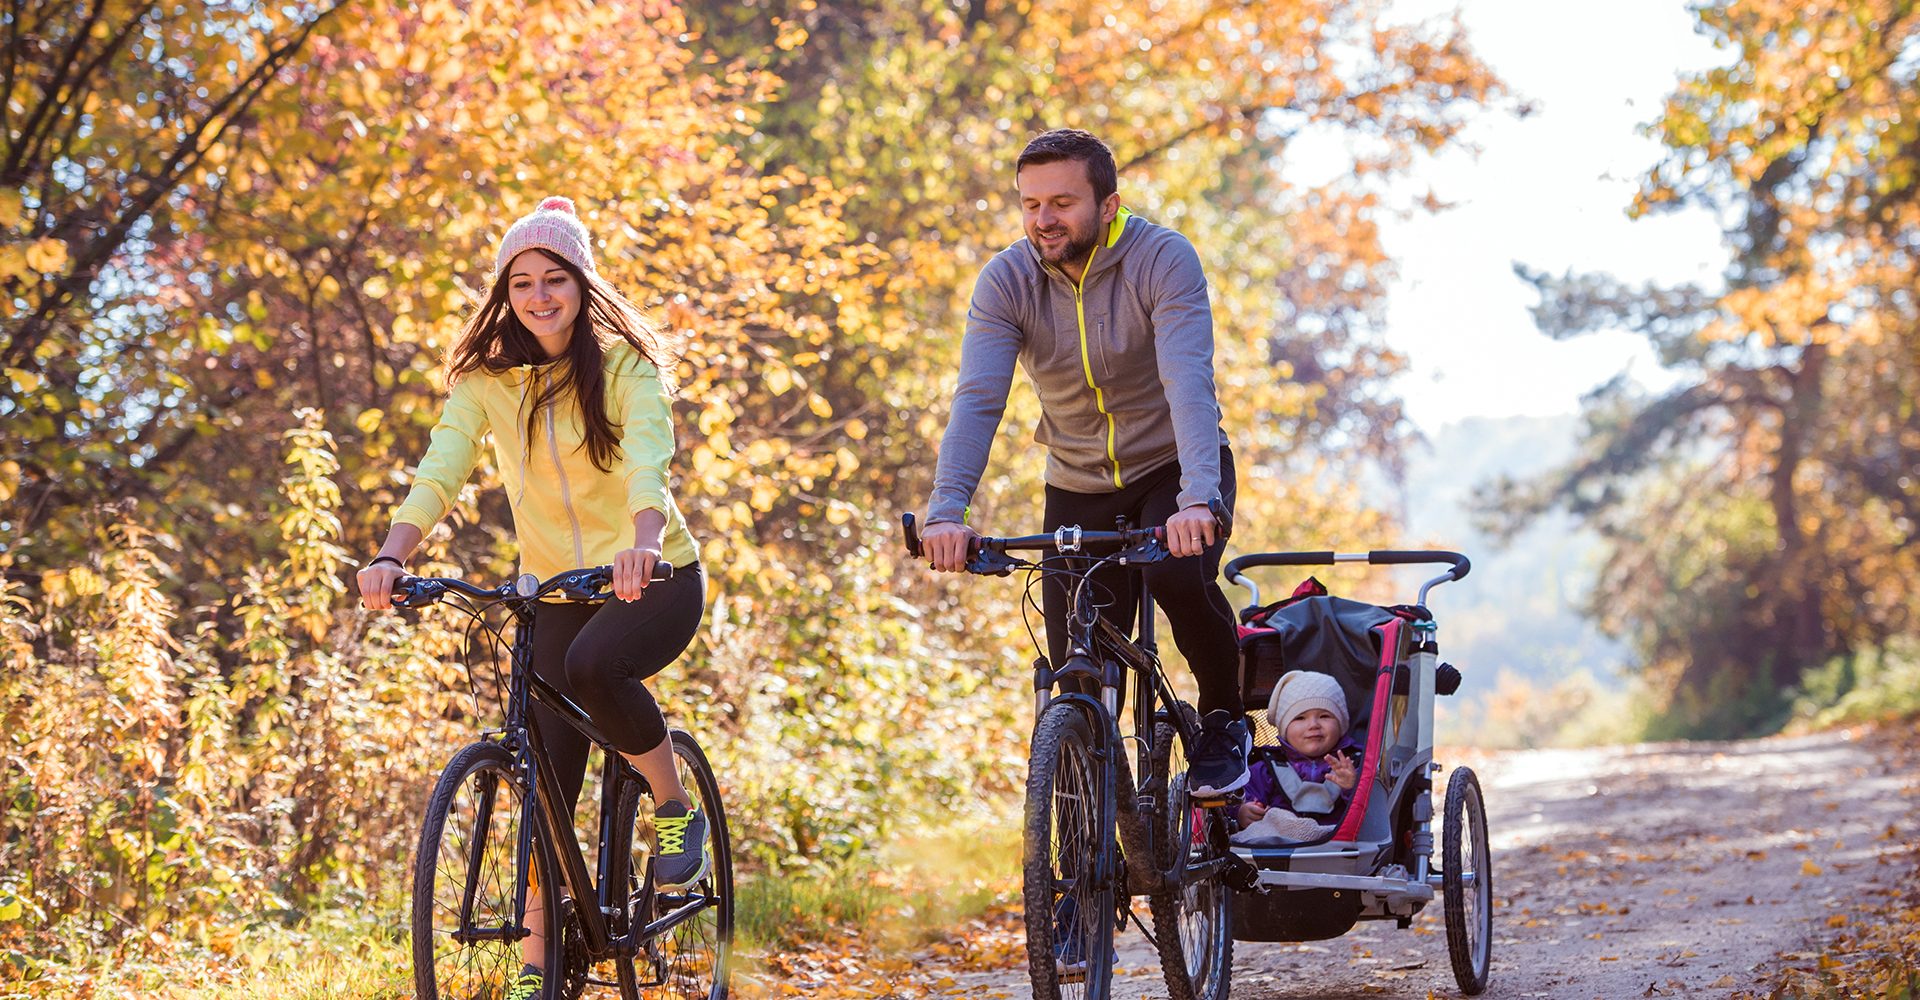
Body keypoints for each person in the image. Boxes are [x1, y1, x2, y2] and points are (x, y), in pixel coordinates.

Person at [355, 196, 706, 1000]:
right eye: (522, 282)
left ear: (582, 285)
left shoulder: (625, 369)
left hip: (657, 577)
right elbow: (441, 470)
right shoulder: (486, 384)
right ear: (504, 293)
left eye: (555, 278)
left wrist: (643, 539)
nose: (539, 296)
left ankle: (671, 801)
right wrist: (390, 555)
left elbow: (650, 459)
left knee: (592, 667)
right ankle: (537, 970)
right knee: (543, 778)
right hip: (553, 590)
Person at [920, 128, 1249, 796]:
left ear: (1108, 204)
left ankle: (1224, 721)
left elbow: (1189, 381)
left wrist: (1197, 499)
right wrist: (945, 512)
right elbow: (979, 399)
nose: (1044, 219)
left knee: (1181, 580)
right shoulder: (1008, 281)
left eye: (1062, 202)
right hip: (1077, 481)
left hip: (1173, 470)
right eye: (1031, 203)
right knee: (1082, 664)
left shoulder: (1161, 258)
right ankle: (1082, 864)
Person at [1233, 670, 1360, 845]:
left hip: (1335, 850)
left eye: (1324, 716)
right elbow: (1235, 798)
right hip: (1278, 852)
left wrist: (1353, 789)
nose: (1313, 725)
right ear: (1284, 729)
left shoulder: (1356, 764)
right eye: (1300, 718)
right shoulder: (1265, 769)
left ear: (1341, 723)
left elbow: (1372, 815)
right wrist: (1241, 812)